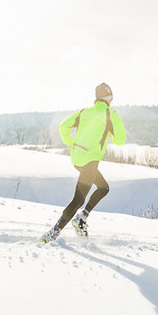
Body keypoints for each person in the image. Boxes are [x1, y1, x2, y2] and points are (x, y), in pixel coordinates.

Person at [41, 82, 127, 242]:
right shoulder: (110, 114)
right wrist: (112, 135)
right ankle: (53, 233)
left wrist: (70, 143)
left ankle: (82, 218)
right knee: (78, 200)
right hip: (90, 162)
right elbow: (121, 140)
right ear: (108, 98)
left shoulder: (84, 112)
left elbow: (63, 127)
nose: (111, 101)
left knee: (103, 187)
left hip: (77, 159)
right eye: (111, 98)